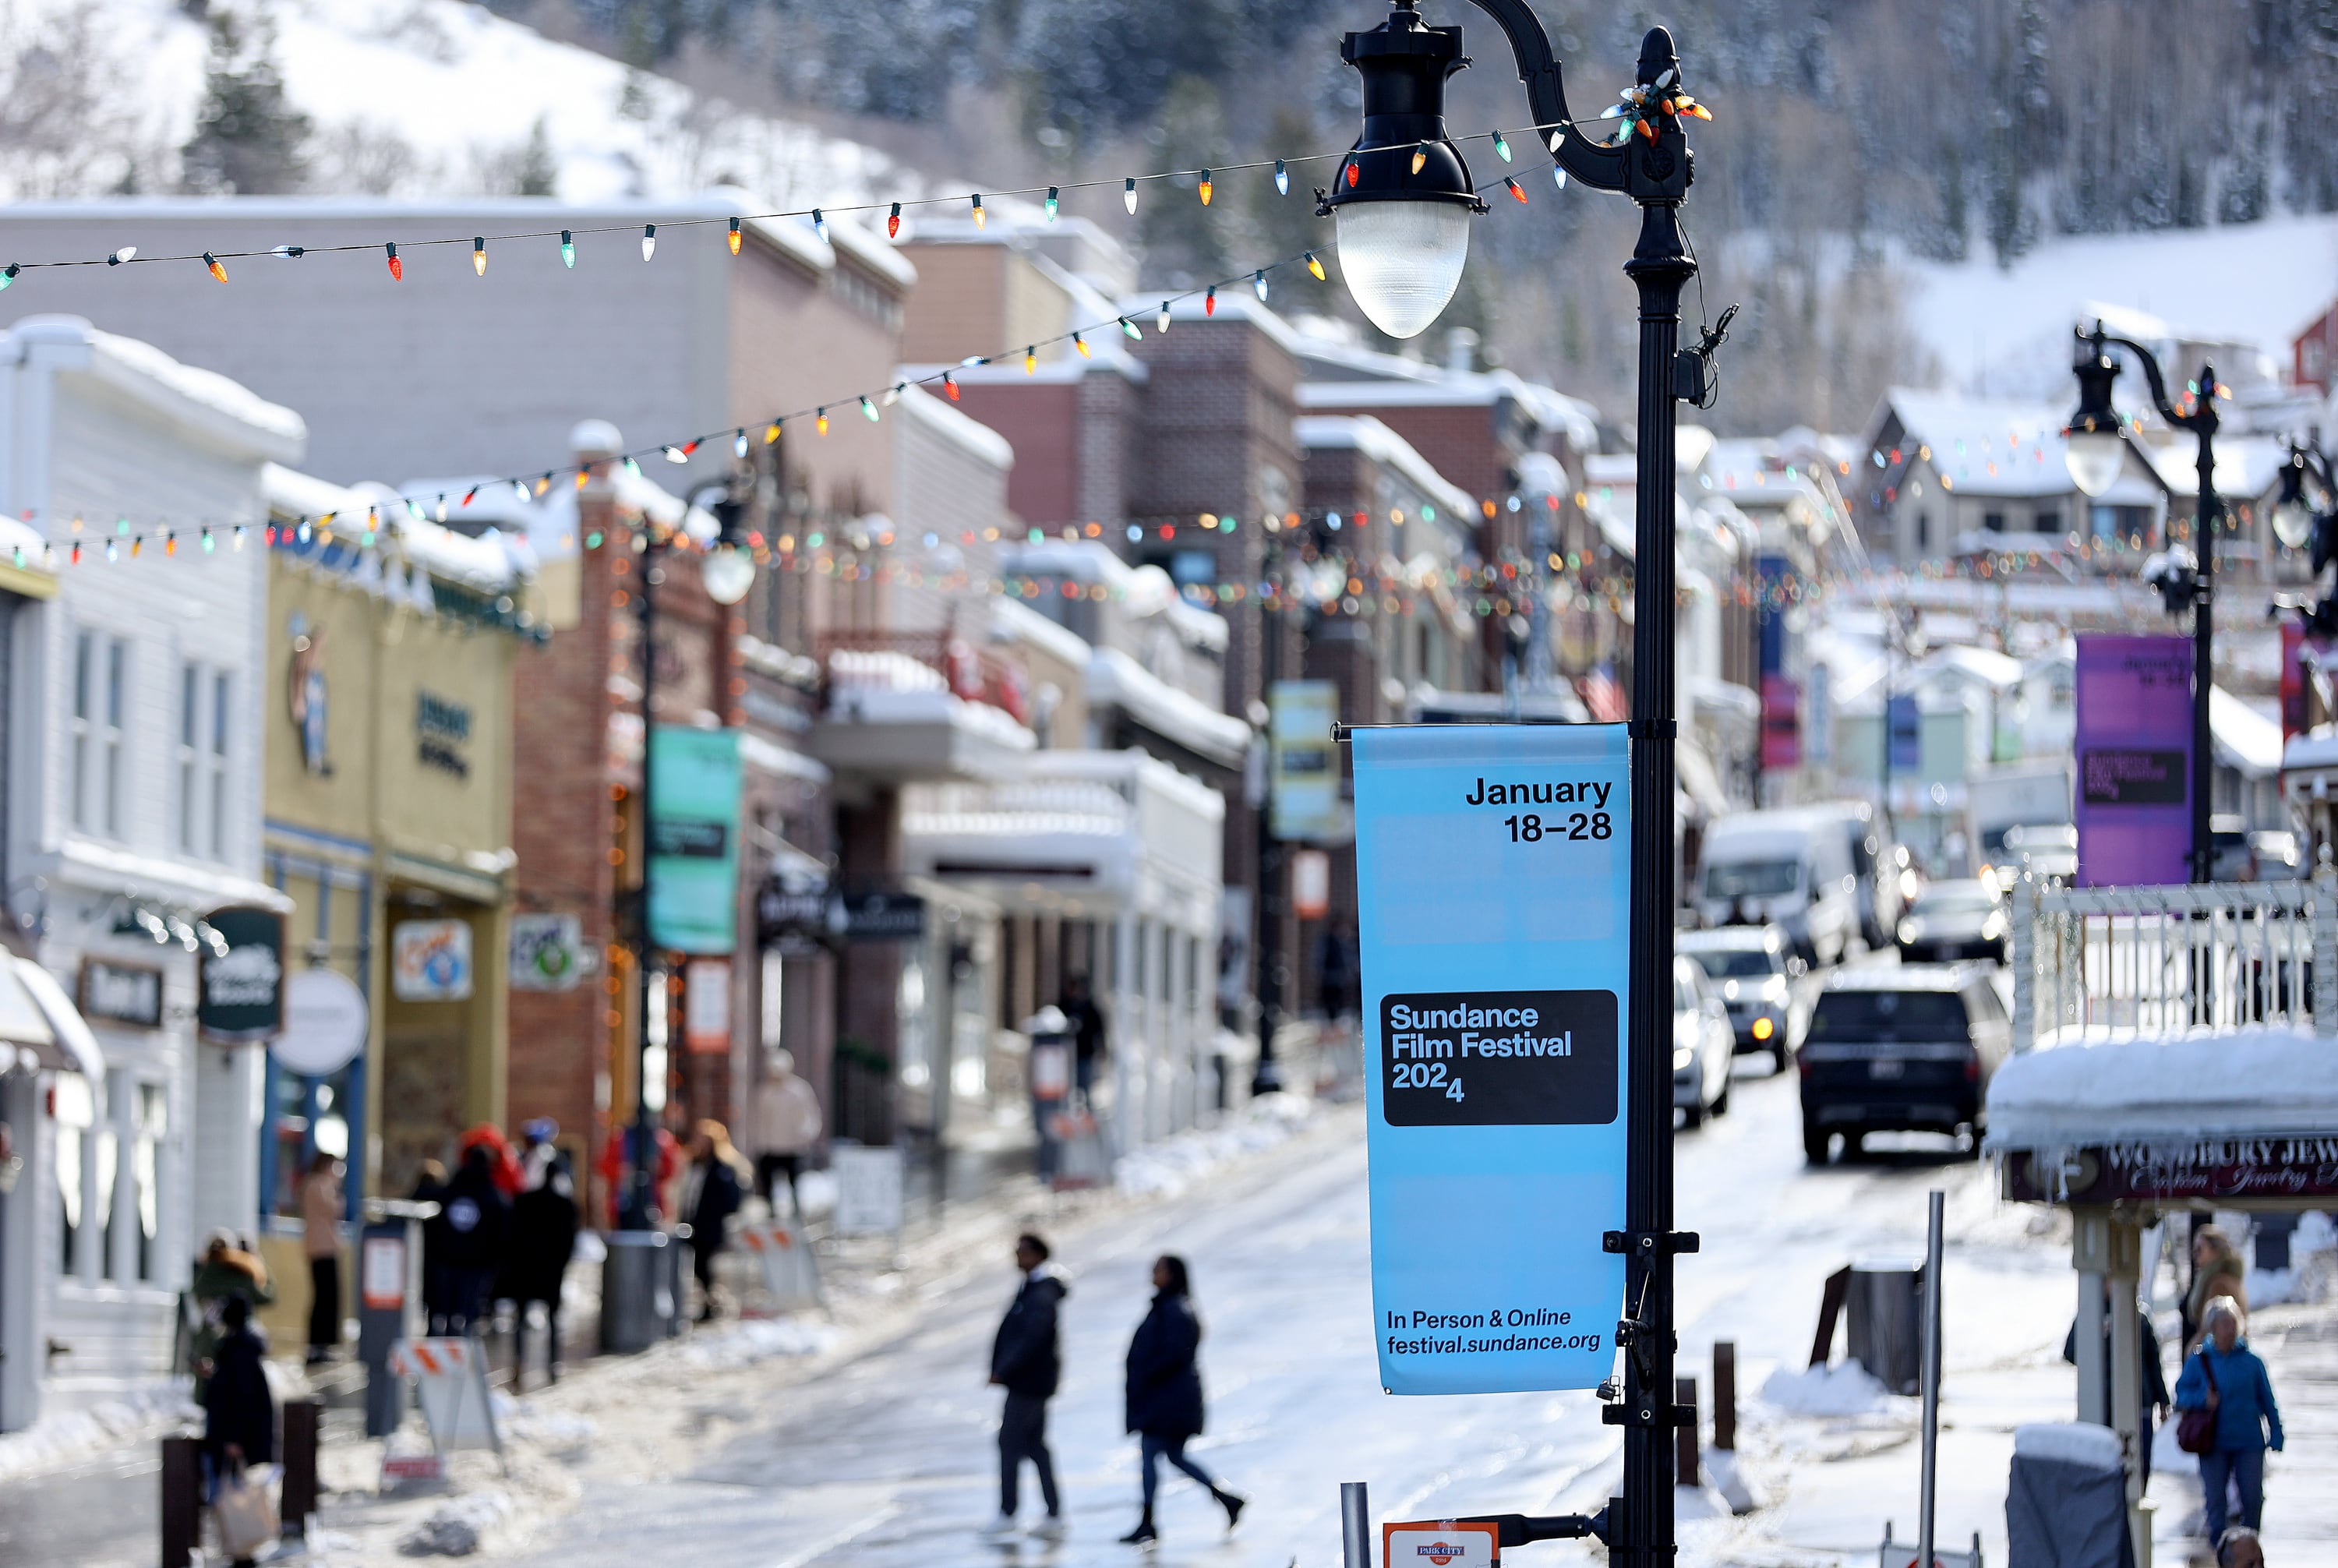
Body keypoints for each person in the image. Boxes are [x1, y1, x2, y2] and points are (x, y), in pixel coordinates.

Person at [1118, 1255, 1244, 1543]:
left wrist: (1145, 1374)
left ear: (1172, 1274)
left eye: (1158, 1269)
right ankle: (1226, 1498)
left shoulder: (1175, 1309)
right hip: (1166, 1400)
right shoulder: (1167, 1307)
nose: (1152, 1273)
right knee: (1174, 1456)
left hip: (1167, 1402)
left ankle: (1148, 1521)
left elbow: (1176, 1355)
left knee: (1151, 1456)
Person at [2174, 1296, 2283, 1544]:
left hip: (2248, 1441)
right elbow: (2180, 1395)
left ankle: (2249, 1545)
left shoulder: (2251, 1362)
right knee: (2215, 1500)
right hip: (2214, 1443)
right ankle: (2221, 1547)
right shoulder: (2200, 1361)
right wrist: (2203, 1400)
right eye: (2224, 1324)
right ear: (2213, 1329)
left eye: (2233, 1323)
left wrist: (2276, 1431)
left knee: (2252, 1498)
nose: (2229, 1329)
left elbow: (2267, 1400)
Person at [986, 1233, 1068, 1542]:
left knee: (1010, 1443)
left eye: (1021, 1252)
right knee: (1035, 1446)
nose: (1016, 1257)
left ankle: (1009, 1512)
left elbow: (1032, 1339)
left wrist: (1005, 1370)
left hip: (1029, 1383)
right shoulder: (1033, 1288)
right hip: (1029, 1381)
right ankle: (1054, 1513)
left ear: (1037, 1255)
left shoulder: (1042, 1293)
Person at [2061, 1284, 2170, 1483]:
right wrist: (2096, 1341)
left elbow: (2153, 1362)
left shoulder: (2140, 1319)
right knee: (2103, 1462)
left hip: (2139, 1402)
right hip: (2102, 1402)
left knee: (2138, 1461)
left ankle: (2135, 1500)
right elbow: (2070, 1353)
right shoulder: (2090, 1315)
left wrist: (2162, 1400)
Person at [202, 1294, 275, 1568]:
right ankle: (240, 1551)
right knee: (230, 1497)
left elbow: (244, 1397)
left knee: (231, 1497)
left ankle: (243, 1554)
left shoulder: (239, 1350)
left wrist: (235, 1437)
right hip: (229, 1435)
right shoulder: (239, 1348)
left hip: (230, 1438)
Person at [507, 1120, 579, 1382]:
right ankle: (541, 1366)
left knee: (536, 1315)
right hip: (536, 1260)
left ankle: (542, 1365)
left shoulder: (544, 1175)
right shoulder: (537, 1176)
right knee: (538, 1315)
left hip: (538, 1260)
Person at [433, 1143, 512, 1336]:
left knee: (447, 1309)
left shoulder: (452, 1189)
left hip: (449, 1258)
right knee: (469, 1310)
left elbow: (437, 1222)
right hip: (478, 1263)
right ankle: (462, 1348)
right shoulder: (492, 1194)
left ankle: (448, 1346)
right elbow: (502, 1230)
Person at [189, 1231, 274, 1396]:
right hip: (241, 1341)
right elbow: (268, 1297)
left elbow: (196, 1296)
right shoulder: (243, 1273)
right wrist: (256, 1260)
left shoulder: (204, 1276)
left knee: (209, 1392)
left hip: (208, 1341)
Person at [682, 1120, 749, 1323]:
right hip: (693, 1224)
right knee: (698, 1266)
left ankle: (712, 1302)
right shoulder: (696, 1165)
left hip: (709, 1226)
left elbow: (731, 1200)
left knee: (705, 1266)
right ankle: (709, 1301)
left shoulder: (722, 1170)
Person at [753, 1052, 824, 1216]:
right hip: (770, 1146)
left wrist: (805, 1136)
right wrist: (761, 1142)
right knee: (767, 1184)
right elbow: (759, 1119)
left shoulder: (799, 1090)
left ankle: (796, 1214)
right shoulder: (765, 1092)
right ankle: (771, 1212)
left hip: (793, 1147)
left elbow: (810, 1116)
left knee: (794, 1183)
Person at [299, 1152, 344, 1365]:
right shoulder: (320, 1184)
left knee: (326, 1297)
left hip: (319, 1247)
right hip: (323, 1248)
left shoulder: (312, 1183)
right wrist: (335, 1185)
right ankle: (318, 1344)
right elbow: (333, 1208)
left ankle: (323, 1344)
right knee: (325, 1297)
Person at [2185, 1225, 2248, 1355]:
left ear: (2215, 1251)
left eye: (2200, 1249)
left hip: (2220, 1355)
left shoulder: (2219, 1284)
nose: (2195, 1255)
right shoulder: (2228, 1278)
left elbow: (2214, 1327)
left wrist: (2193, 1355)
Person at [1061, 974, 1106, 1098]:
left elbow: (1099, 1031)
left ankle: (1086, 1111)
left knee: (1085, 1087)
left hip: (1085, 1055)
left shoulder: (1090, 1010)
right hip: (1065, 1056)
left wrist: (1102, 1050)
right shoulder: (1063, 1007)